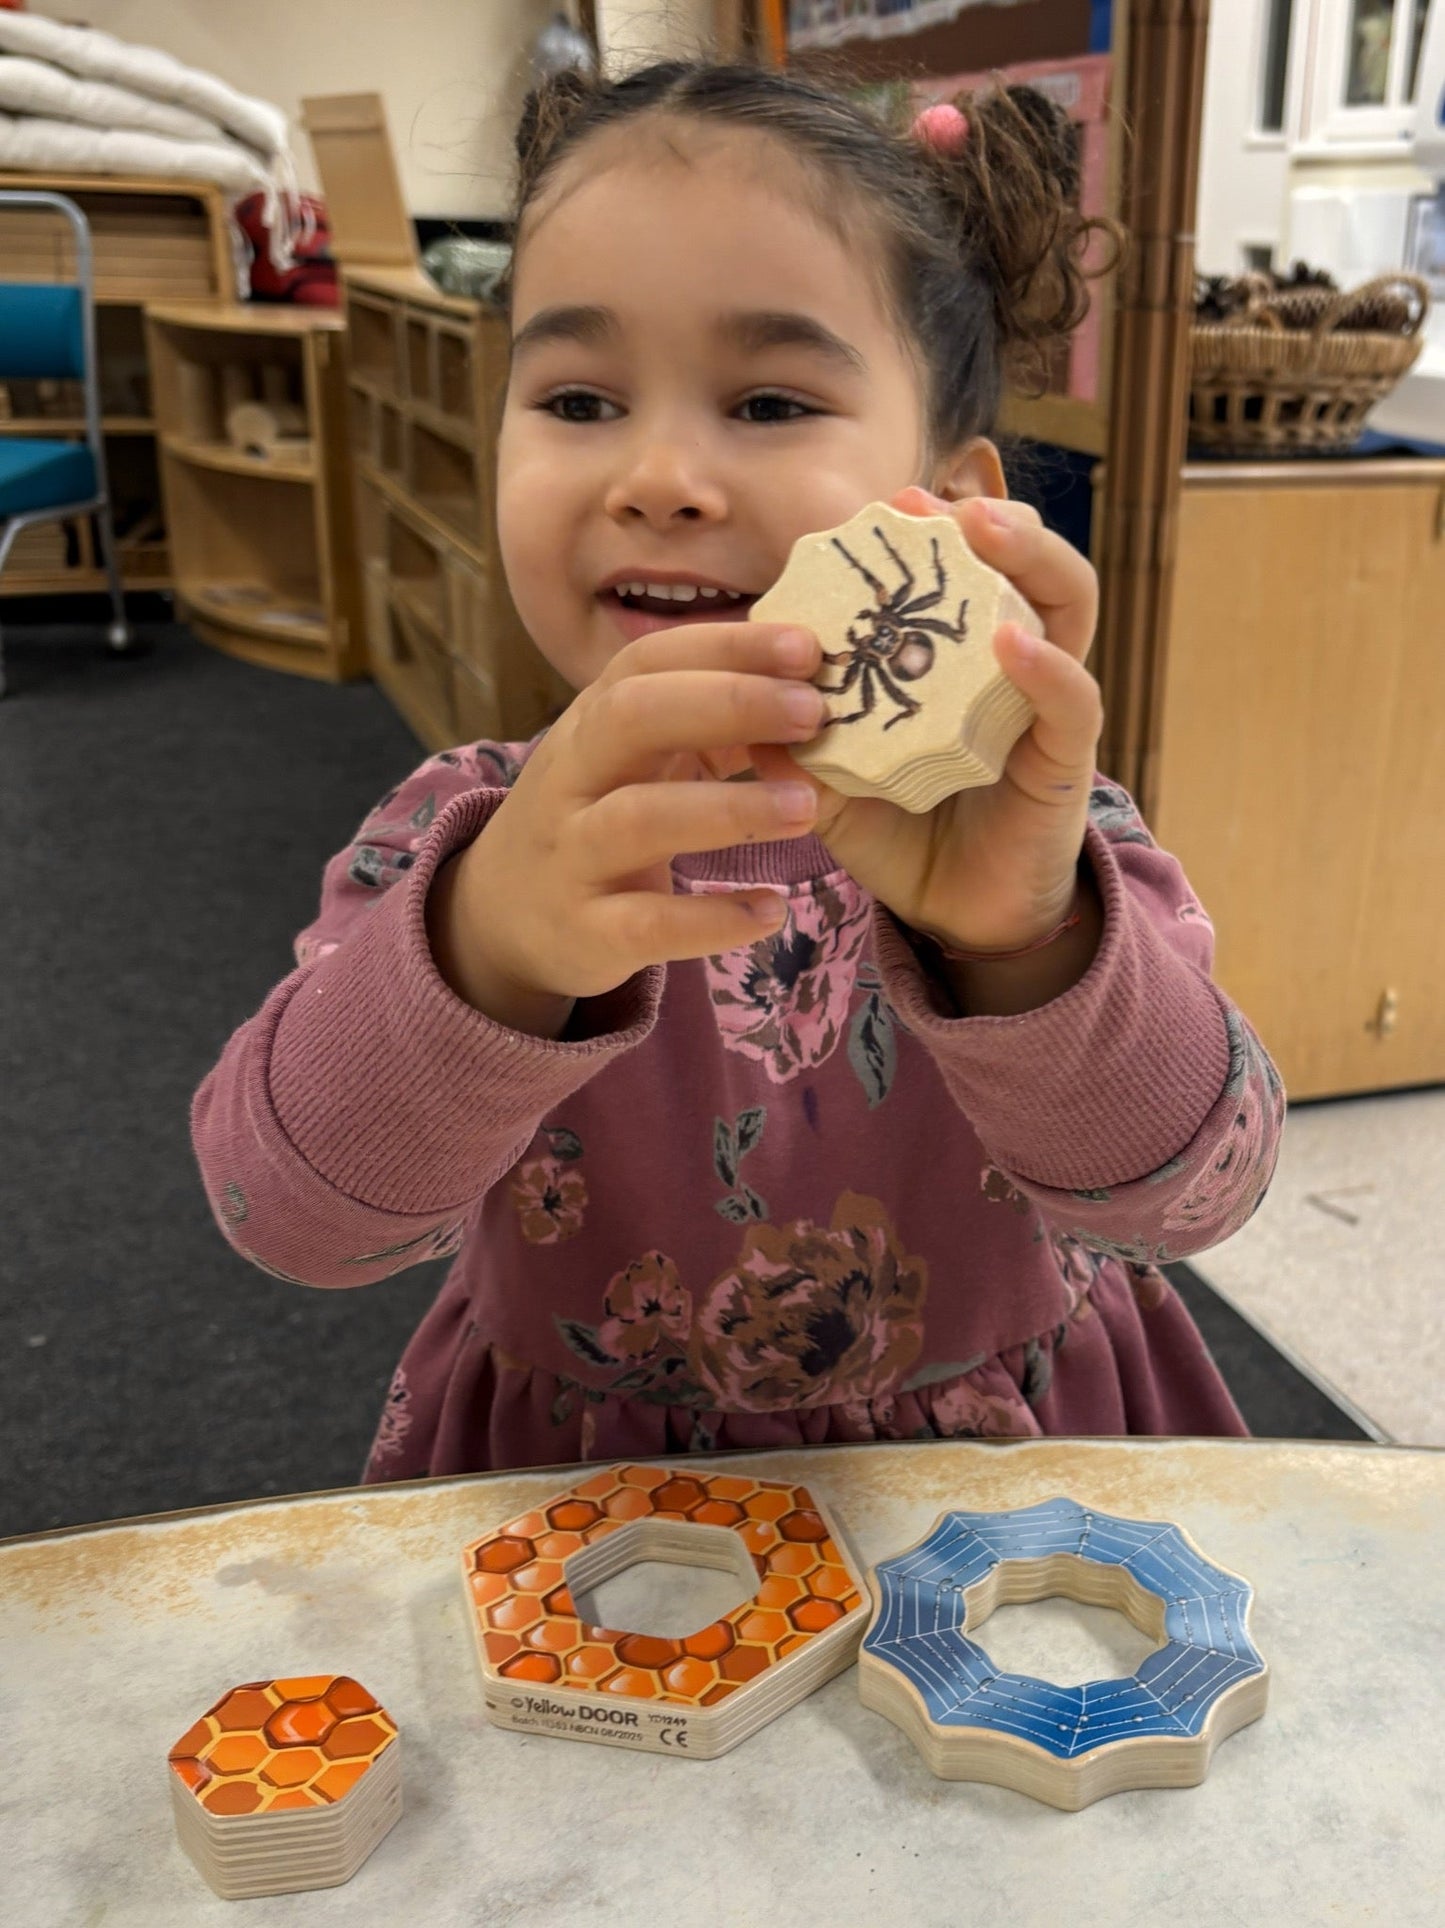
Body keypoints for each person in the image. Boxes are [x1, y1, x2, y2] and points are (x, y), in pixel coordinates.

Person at [191, 59, 1285, 1481]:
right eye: (577, 399)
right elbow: (289, 1221)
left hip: (994, 1490)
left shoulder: (1039, 833)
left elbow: (1197, 1197)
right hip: (588, 1503)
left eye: (767, 403)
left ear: (953, 509)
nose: (656, 478)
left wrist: (1023, 946)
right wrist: (486, 951)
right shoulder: (460, 833)